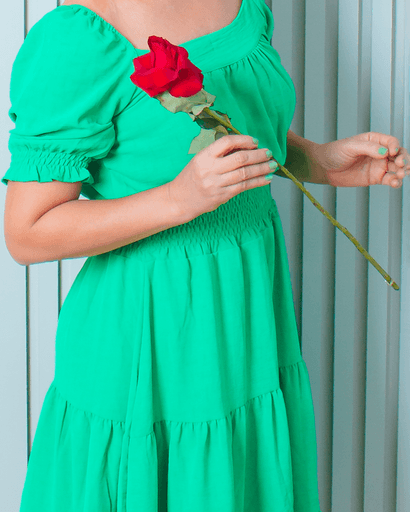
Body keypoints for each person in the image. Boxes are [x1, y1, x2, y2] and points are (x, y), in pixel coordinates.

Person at [2, 0, 408, 511]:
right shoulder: (78, 38)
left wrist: (320, 161)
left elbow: (231, 133)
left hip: (249, 317)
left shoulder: (244, 5)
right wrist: (177, 199)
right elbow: (28, 232)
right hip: (150, 335)